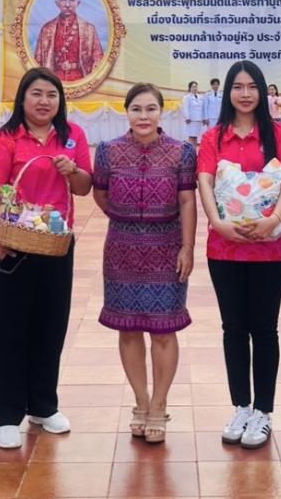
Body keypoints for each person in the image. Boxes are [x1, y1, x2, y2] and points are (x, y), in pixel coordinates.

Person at [0, 67, 93, 450]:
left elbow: (84, 187)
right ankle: (5, 414)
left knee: (50, 325)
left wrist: (71, 168)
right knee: (4, 330)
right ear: (22, 99)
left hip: (56, 244)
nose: (44, 102)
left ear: (61, 101)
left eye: (52, 95)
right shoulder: (5, 139)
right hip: (10, 244)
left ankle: (43, 404)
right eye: (36, 94)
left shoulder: (73, 136)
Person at [197, 60, 281, 449]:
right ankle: (241, 405)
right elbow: (205, 181)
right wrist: (217, 223)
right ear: (228, 93)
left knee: (265, 328)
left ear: (262, 91)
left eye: (251, 86)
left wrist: (273, 219)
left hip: (270, 247)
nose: (244, 93)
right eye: (237, 87)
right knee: (233, 328)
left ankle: (264, 411)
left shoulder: (279, 133)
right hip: (223, 247)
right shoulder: (214, 137)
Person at [94, 83, 197, 444]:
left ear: (161, 113)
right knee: (128, 327)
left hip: (167, 248)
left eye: (150, 109)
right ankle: (140, 402)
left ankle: (160, 403)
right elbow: (101, 193)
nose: (143, 116)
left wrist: (187, 247)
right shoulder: (107, 152)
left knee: (164, 329)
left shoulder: (181, 152)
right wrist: (126, 218)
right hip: (121, 248)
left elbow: (187, 201)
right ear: (127, 112)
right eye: (136, 109)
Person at [33, 0, 105, 81]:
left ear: (78, 3)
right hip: (53, 81)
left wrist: (89, 81)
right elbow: (38, 61)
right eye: (63, 0)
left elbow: (98, 60)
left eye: (71, 0)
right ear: (57, 3)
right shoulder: (47, 29)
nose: (67, 4)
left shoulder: (89, 29)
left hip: (81, 80)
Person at [181, 81, 204, 147]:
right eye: (193, 87)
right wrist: (187, 117)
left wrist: (202, 118)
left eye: (196, 87)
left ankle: (194, 152)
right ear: (190, 88)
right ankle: (191, 152)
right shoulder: (187, 97)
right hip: (191, 120)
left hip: (198, 119)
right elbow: (185, 107)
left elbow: (201, 108)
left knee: (196, 136)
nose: (195, 88)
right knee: (191, 137)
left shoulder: (200, 97)